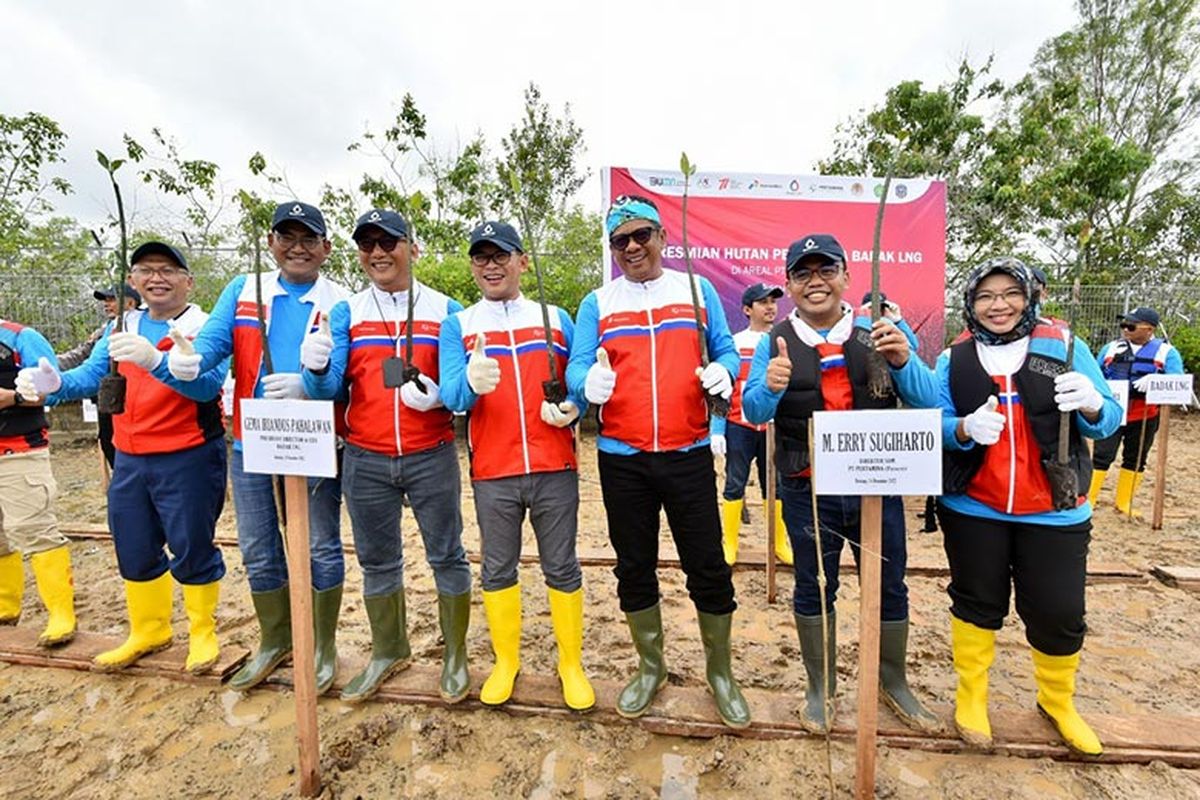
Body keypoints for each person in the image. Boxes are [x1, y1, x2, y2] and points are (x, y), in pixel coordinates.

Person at [741, 233, 939, 734]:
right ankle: (820, 686)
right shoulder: (774, 341)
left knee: (890, 586)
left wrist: (902, 360)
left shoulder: (882, 330)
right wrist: (770, 386)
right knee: (813, 585)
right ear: (788, 285)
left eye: (825, 270)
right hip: (807, 492)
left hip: (877, 488)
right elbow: (753, 411)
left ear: (846, 276)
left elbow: (926, 397)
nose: (815, 282)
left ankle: (892, 682)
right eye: (803, 273)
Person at [566, 194, 750, 730]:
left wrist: (726, 371)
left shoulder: (697, 289)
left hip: (688, 453)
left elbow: (727, 349)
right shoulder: (597, 303)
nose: (631, 247)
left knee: (709, 567)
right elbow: (579, 365)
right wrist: (586, 383)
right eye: (619, 241)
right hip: (622, 458)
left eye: (641, 235)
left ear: (663, 237)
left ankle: (721, 672)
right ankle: (651, 666)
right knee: (634, 566)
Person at [932, 257, 1120, 755]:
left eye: (1009, 293)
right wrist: (964, 429)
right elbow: (937, 423)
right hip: (974, 506)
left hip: (1055, 509)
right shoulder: (956, 357)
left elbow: (1107, 421)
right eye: (985, 296)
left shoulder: (1064, 346)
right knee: (976, 603)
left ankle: (1058, 701)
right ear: (970, 303)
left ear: (1029, 295)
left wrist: (1093, 404)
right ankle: (971, 697)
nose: (998, 306)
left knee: (1058, 610)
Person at [168, 201, 349, 693]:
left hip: (316, 438)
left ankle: (321, 644)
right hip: (253, 439)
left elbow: (344, 378)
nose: (297, 247)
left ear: (326, 249)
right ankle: (277, 640)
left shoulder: (341, 301)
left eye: (309, 238)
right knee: (257, 545)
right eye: (286, 237)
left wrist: (309, 385)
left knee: (320, 544)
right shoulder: (244, 290)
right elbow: (211, 345)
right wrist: (188, 362)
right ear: (271, 243)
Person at [301, 208, 471, 703]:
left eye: (389, 242)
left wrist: (441, 395)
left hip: (430, 453)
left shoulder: (448, 310)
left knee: (447, 553)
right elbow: (331, 388)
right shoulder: (348, 312)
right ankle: (389, 649)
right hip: (366, 458)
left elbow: (460, 385)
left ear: (412, 249)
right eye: (367, 244)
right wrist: (314, 370)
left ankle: (455, 653)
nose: (378, 252)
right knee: (377, 561)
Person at [39, 242, 228, 672]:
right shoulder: (122, 323)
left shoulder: (204, 325)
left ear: (187, 280)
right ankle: (149, 629)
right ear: (132, 280)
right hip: (129, 455)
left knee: (191, 544)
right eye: (145, 269)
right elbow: (92, 375)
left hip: (188, 453)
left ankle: (202, 632)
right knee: (133, 542)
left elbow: (206, 385)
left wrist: (157, 361)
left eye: (168, 270)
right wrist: (55, 384)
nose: (156, 278)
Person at [439, 221, 593, 711]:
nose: (491, 265)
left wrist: (573, 406)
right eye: (481, 257)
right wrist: (471, 382)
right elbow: (450, 396)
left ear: (522, 261)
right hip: (494, 470)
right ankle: (507, 661)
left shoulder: (557, 318)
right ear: (472, 266)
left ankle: (571, 663)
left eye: (500, 255)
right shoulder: (459, 326)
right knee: (498, 567)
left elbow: (579, 383)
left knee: (562, 566)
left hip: (554, 465)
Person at [1, 322, 74, 647]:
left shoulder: (20, 337)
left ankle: (61, 614)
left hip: (17, 450)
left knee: (33, 529)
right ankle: (5, 608)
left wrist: (12, 397)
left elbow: (52, 389)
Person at [711, 282, 793, 566]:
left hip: (775, 427)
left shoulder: (787, 340)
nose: (770, 307)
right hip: (739, 426)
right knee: (734, 483)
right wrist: (717, 429)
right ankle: (730, 542)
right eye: (762, 302)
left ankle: (780, 542)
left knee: (778, 486)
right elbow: (722, 391)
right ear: (747, 309)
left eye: (773, 301)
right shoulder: (733, 344)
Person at [1090, 306, 1184, 515]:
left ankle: (1124, 502)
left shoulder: (1166, 352)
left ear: (1149, 329)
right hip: (1112, 412)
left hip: (1145, 415)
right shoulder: (1111, 349)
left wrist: (1157, 380)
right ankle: (1090, 499)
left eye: (1130, 326)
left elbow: (1177, 381)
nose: (1125, 329)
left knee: (1136, 457)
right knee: (1102, 455)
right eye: (1123, 324)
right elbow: (1095, 374)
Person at [59, 286, 142, 471]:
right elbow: (80, 356)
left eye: (112, 299)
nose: (107, 304)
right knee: (109, 444)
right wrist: (47, 365)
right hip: (108, 401)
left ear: (131, 302)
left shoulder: (147, 327)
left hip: (138, 403)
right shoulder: (103, 332)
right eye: (106, 299)